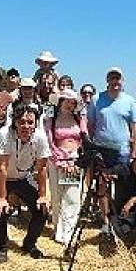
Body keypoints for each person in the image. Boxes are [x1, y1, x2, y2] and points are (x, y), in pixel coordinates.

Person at [0, 103, 51, 262]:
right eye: (21, 122)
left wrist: (43, 196)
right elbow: (2, 167)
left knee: (42, 210)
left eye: (30, 122)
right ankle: (1, 246)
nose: (26, 126)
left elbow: (42, 168)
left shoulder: (40, 137)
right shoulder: (4, 134)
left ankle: (29, 244)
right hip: (2, 177)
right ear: (15, 122)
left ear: (36, 123)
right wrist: (2, 198)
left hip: (23, 177)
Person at [86, 67, 136, 234]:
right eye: (112, 78)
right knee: (101, 186)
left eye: (117, 78)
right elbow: (90, 125)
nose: (115, 81)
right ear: (107, 80)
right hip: (101, 152)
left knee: (122, 187)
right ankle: (105, 220)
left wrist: (134, 152)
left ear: (122, 81)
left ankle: (120, 221)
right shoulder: (96, 99)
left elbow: (135, 128)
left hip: (122, 152)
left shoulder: (129, 101)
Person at [45, 88, 87, 245]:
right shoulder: (52, 119)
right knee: (56, 195)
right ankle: (58, 228)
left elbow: (84, 138)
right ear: (61, 102)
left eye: (73, 102)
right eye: (67, 102)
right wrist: (60, 159)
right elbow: (49, 141)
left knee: (71, 196)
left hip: (74, 160)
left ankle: (69, 231)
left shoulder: (79, 119)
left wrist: (75, 159)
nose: (70, 105)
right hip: (56, 160)